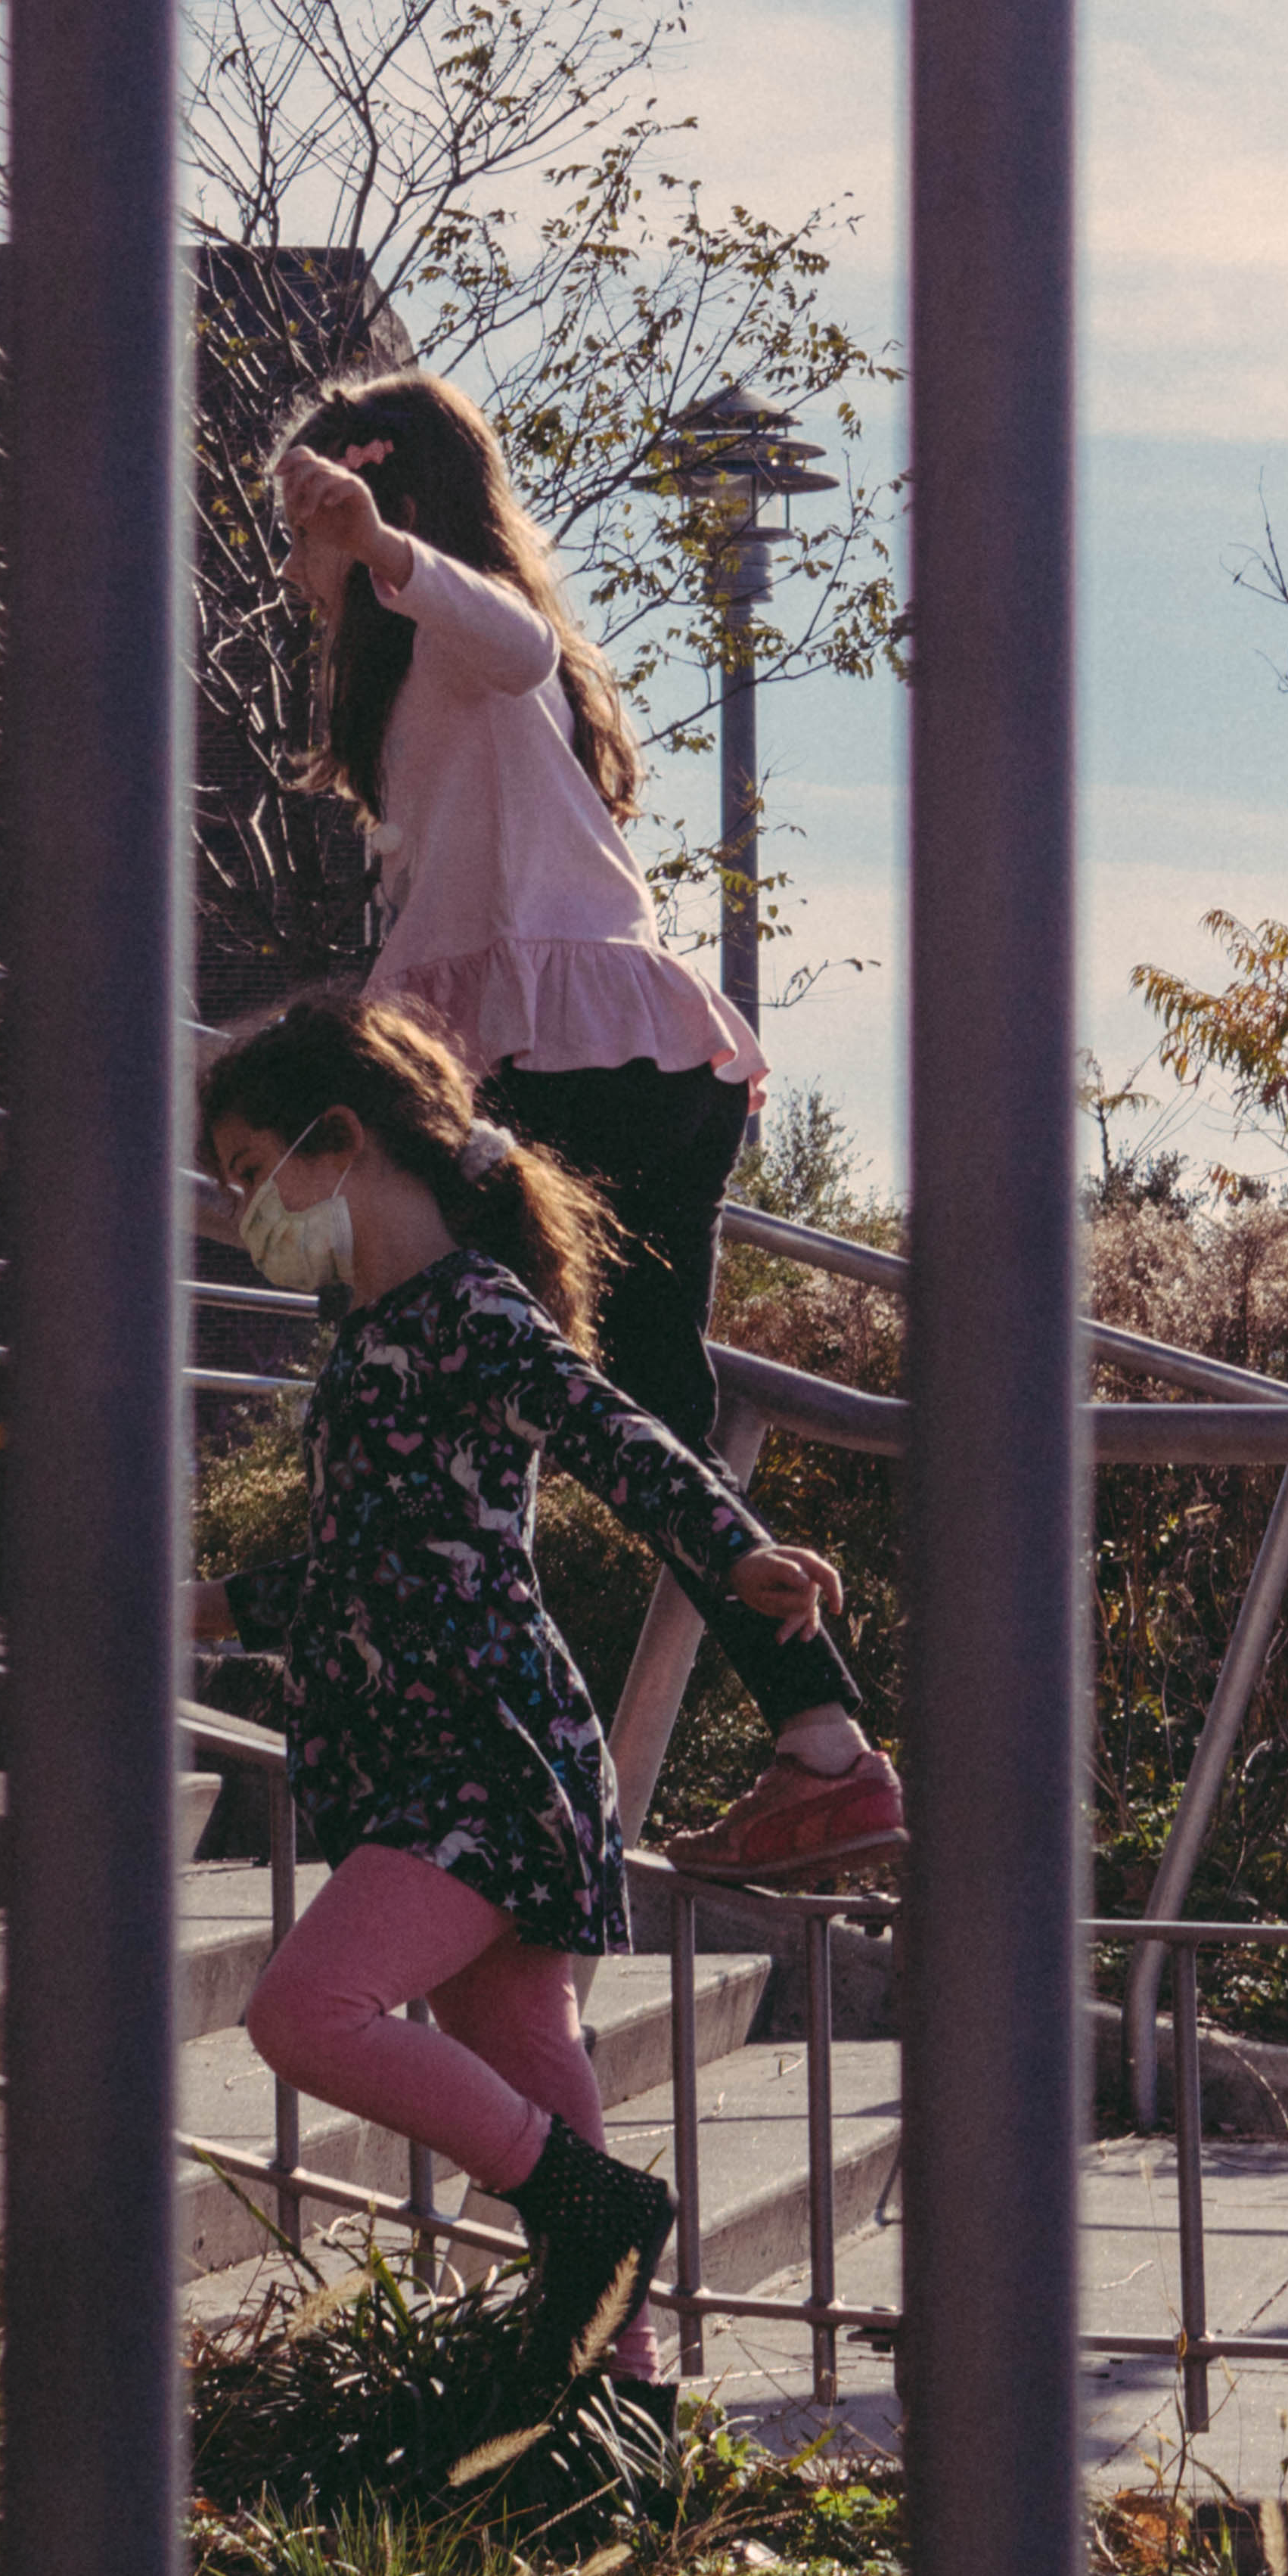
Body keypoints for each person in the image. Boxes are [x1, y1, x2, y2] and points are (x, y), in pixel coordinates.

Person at [270, 371, 906, 1882]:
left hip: (577, 1066)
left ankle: (458, 1754)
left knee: (432, 1373)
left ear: (392, 504)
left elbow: (515, 636)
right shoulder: (411, 691)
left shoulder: (466, 635)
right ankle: (823, 1749)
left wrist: (383, 547)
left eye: (317, 522)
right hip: (628, 1062)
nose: (299, 560)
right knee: (641, 1405)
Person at [191, 999, 849, 2432]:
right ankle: (624, 2412)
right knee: (534, 2071)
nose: (244, 1210)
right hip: (436, 1751)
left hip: (483, 1752)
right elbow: (372, 1562)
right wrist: (204, 1611)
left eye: (252, 1170)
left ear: (340, 1140)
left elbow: (611, 1427)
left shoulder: (470, 1309)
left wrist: (737, 1551)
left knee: (306, 2013)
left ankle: (589, 2210)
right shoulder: (375, 1333)